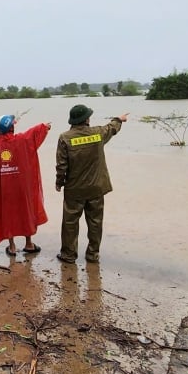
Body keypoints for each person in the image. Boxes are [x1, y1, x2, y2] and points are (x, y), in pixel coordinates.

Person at [54, 104, 128, 264]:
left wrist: (59, 182)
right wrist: (119, 119)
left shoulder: (65, 138)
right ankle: (93, 255)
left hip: (75, 189)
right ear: (86, 119)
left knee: (70, 223)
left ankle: (68, 255)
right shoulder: (98, 133)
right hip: (96, 187)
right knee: (95, 222)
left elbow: (61, 165)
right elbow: (112, 128)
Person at [0, 114, 52, 256]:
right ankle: (29, 244)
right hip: (22, 188)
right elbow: (33, 133)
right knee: (25, 211)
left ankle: (12, 247)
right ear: (11, 127)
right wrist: (45, 127)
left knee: (8, 214)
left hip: (5, 188)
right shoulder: (21, 140)